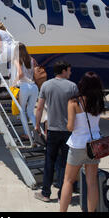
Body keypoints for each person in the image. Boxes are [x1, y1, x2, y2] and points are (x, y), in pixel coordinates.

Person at [60, 72, 106, 212]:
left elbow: (71, 127)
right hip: (95, 145)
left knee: (68, 181)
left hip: (78, 144)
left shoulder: (74, 102)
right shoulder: (99, 101)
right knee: (91, 182)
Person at [34, 61, 79, 202]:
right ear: (64, 71)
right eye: (69, 70)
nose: (70, 73)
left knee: (49, 162)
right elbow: (77, 109)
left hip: (52, 130)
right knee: (66, 163)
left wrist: (37, 125)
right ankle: (62, 195)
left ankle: (46, 193)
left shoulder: (46, 85)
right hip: (68, 131)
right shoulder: (72, 86)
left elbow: (40, 108)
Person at [12, 43, 39, 141]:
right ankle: (37, 132)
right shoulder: (32, 59)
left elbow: (21, 74)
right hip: (34, 86)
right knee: (31, 111)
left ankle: (27, 134)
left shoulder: (17, 60)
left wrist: (14, 83)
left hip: (24, 86)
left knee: (22, 110)